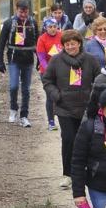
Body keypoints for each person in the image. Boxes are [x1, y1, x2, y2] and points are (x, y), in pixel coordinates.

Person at [42, 30, 102, 189]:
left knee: (86, 140)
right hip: (64, 107)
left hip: (86, 107)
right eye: (67, 44)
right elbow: (47, 80)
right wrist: (56, 95)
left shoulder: (91, 60)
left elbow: (100, 80)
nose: (70, 47)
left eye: (73, 44)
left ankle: (86, 171)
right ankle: (68, 174)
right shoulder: (56, 60)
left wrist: (94, 98)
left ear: (79, 43)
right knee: (68, 139)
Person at [0, 0, 39, 128]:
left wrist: (40, 61)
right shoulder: (9, 23)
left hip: (28, 60)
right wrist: (0, 60)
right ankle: (13, 109)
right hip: (14, 59)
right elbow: (1, 42)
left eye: (25, 12)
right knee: (14, 86)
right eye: (21, 12)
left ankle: (24, 116)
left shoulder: (33, 23)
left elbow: (38, 42)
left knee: (26, 89)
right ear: (16, 10)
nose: (23, 15)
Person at [36, 16, 63, 131]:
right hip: (47, 71)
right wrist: (49, 69)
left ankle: (63, 119)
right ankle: (51, 121)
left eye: (54, 27)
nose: (53, 29)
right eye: (50, 27)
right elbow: (41, 58)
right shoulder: (42, 39)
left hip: (62, 70)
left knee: (63, 95)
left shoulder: (62, 36)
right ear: (45, 28)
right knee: (50, 96)